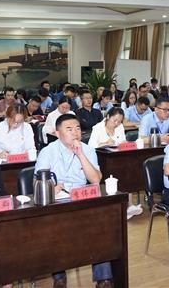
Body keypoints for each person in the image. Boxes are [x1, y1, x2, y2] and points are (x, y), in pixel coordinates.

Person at [34, 114, 114, 288]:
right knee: (55, 229)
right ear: (57, 133)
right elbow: (36, 181)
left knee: (102, 225)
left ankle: (104, 279)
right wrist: (51, 187)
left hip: (81, 200)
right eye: (69, 129)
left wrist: (81, 154)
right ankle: (59, 277)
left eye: (77, 128)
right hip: (57, 203)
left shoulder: (88, 149)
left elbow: (95, 180)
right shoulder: (48, 151)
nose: (75, 133)